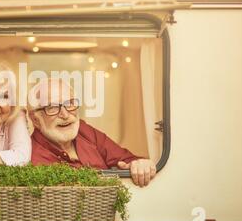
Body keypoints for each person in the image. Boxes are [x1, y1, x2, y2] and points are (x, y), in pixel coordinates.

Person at [27, 78, 156, 187]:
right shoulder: (31, 157)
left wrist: (139, 164)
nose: (65, 114)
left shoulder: (84, 131)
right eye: (53, 107)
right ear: (35, 119)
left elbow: (126, 159)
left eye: (70, 103)